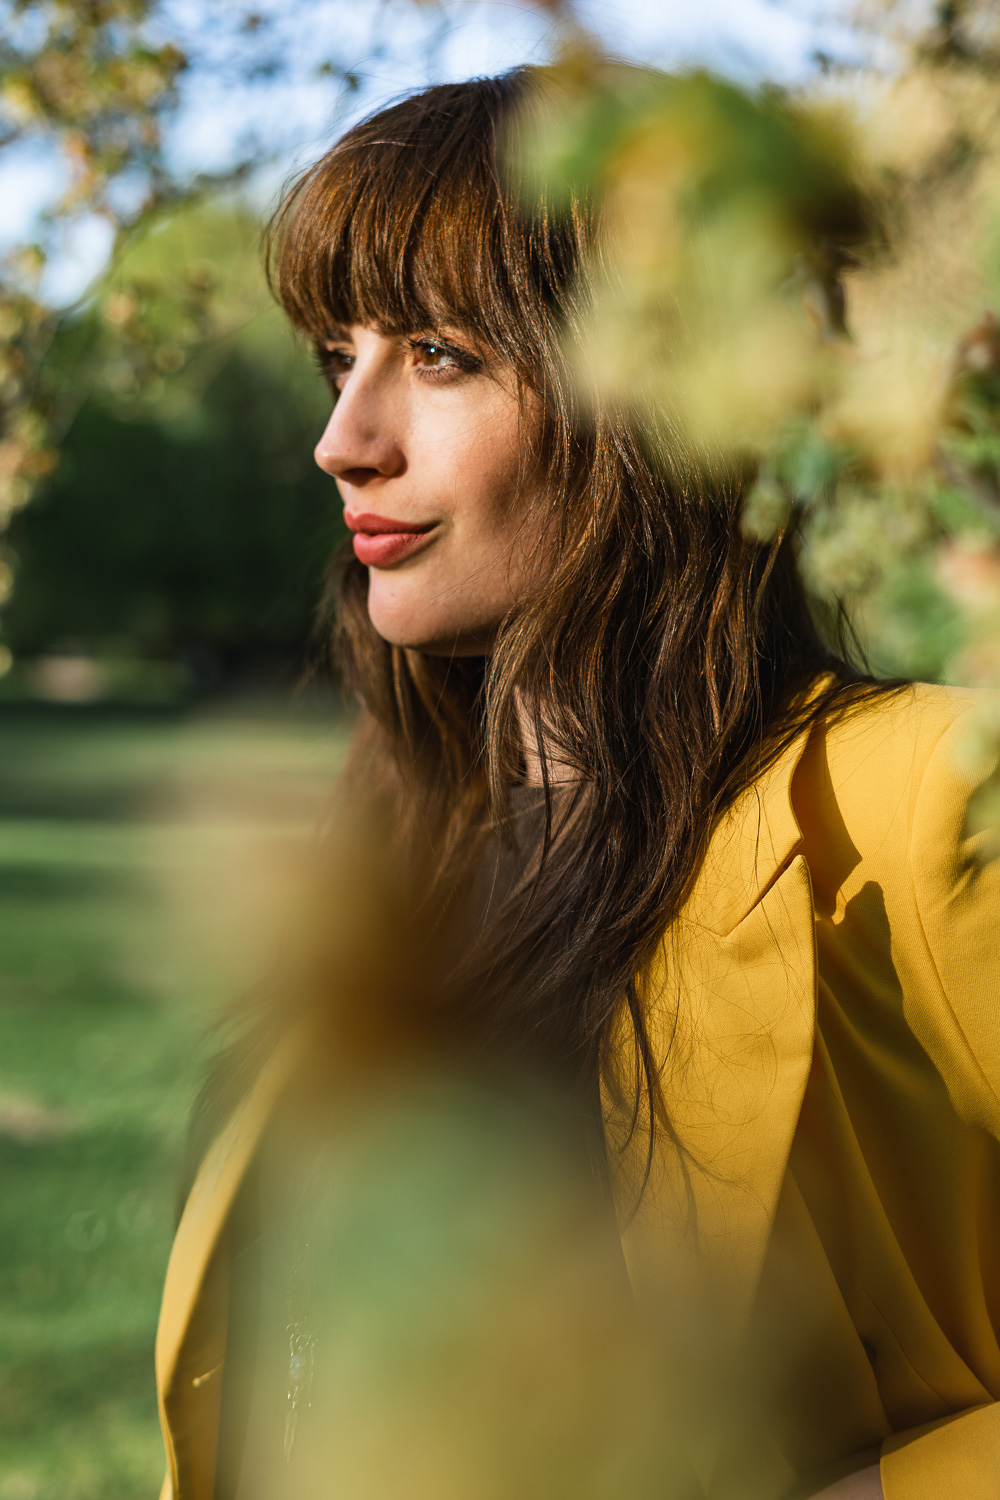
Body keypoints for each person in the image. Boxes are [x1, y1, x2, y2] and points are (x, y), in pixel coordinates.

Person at [153, 70, 1000, 1500]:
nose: (343, 438)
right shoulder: (398, 853)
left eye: (440, 354)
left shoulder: (912, 794)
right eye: (335, 358)